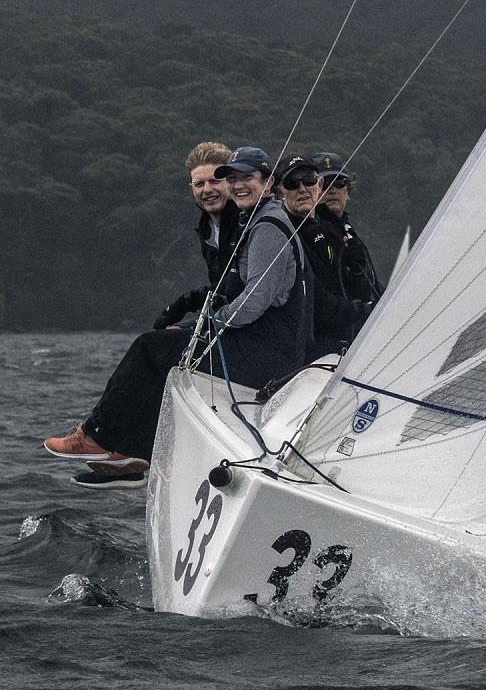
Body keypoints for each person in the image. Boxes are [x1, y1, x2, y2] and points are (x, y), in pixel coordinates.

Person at [43, 147, 311, 488]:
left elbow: (255, 299)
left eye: (248, 178)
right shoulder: (254, 221)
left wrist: (210, 323)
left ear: (268, 182)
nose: (239, 185)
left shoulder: (269, 226)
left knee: (150, 349)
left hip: (267, 356)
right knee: (162, 350)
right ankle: (132, 456)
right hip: (262, 346)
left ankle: (96, 437)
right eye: (235, 178)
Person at [276, 154, 372, 358]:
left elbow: (354, 285)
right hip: (313, 348)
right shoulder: (284, 231)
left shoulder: (338, 230)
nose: (302, 189)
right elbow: (316, 299)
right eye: (292, 183)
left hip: (345, 340)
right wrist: (362, 311)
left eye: (340, 182)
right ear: (280, 191)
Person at [152, 141, 239, 329]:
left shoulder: (247, 224)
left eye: (215, 181)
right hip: (225, 321)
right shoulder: (207, 228)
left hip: (251, 326)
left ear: (231, 182)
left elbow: (237, 289)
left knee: (150, 344)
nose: (207, 190)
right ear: (192, 189)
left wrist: (186, 304)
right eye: (199, 184)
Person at [312, 151, 383, 306]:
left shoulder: (347, 228)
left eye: (339, 182)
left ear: (348, 189)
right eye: (324, 184)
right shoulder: (312, 231)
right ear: (312, 190)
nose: (332, 190)